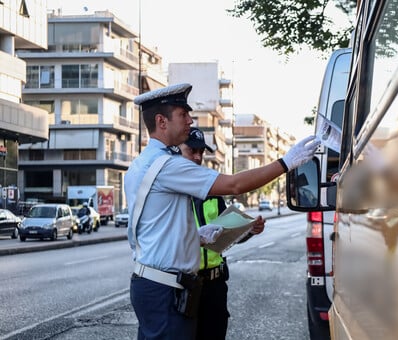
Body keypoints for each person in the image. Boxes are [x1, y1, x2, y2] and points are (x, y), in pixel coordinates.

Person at [124, 83, 319, 340]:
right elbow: (234, 184)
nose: (190, 120)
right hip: (165, 289)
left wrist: (195, 236)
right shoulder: (167, 166)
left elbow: (157, 226)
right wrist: (287, 162)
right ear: (161, 121)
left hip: (154, 285)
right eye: (183, 114)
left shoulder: (141, 164)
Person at [179, 127, 265, 340]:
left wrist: (249, 231)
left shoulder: (213, 192)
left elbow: (227, 237)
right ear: (177, 150)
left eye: (201, 152)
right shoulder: (172, 192)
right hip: (185, 284)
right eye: (192, 151)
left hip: (215, 285)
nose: (198, 157)